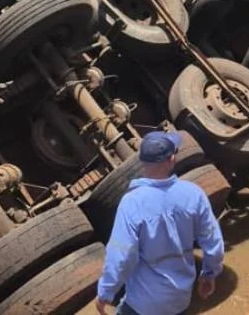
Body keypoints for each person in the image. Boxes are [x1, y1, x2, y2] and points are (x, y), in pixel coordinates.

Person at [96, 131, 225, 315]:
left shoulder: (132, 203)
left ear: (141, 161)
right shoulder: (193, 194)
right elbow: (213, 243)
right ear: (172, 159)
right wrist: (209, 274)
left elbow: (121, 256)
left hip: (142, 304)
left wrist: (105, 293)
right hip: (180, 300)